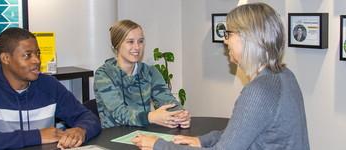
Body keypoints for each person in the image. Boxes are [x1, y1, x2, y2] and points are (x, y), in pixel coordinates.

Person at [132, 3, 310, 150]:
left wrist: (158, 145)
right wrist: (203, 141)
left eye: (229, 34)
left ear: (247, 37)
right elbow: (243, 131)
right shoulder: (284, 76)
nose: (225, 41)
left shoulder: (259, 91)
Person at [0, 28, 101, 149]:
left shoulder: (49, 85)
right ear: (6, 58)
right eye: (28, 55)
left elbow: (88, 117)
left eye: (38, 53)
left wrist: (80, 130)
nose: (37, 60)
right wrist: (37, 136)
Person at [94, 20, 191, 129]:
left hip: (144, 136)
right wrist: (150, 117)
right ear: (117, 45)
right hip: (113, 137)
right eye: (130, 41)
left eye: (140, 41)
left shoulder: (150, 72)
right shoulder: (104, 74)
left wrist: (180, 114)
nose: (137, 47)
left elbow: (166, 100)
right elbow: (119, 113)